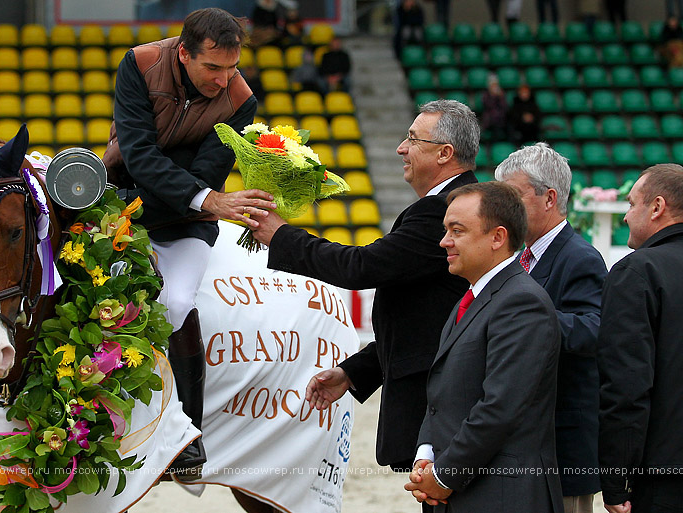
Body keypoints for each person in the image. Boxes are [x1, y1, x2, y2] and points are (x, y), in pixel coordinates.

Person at [250, 99, 479, 474]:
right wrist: (356, 371)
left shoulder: (442, 210)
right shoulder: (456, 203)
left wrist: (281, 236)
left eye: (412, 139)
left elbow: (361, 267)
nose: (401, 148)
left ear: (444, 153)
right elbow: (428, 318)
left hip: (442, 401)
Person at [104, 7, 276, 478]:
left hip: (183, 220)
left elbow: (207, 173)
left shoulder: (242, 101)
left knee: (177, 301)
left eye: (232, 68)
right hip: (127, 200)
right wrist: (204, 199)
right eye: (213, 68)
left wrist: (198, 200)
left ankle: (189, 437)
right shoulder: (138, 64)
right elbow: (137, 153)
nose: (224, 81)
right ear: (183, 53)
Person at [405, 181, 563, 512]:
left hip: (502, 496)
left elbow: (499, 408)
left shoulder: (521, 302)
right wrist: (426, 454)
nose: (444, 241)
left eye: (456, 230)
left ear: (497, 237)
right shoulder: (473, 296)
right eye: (446, 229)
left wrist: (445, 476)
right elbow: (444, 392)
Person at [495, 143, 606, 513]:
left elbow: (593, 331)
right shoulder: (517, 256)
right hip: (524, 443)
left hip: (562, 449)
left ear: (549, 198)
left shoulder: (580, 257)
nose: (503, 209)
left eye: (513, 196)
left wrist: (521, 317)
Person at [598, 164, 683, 513]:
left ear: (657, 207)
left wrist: (617, 482)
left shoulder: (637, 272)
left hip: (662, 481)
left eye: (631, 205)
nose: (625, 218)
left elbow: (626, 388)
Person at [481, 74, 508, 142]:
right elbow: (488, 106)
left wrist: (500, 97)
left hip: (502, 118)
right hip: (490, 119)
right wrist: (493, 96)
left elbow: (505, 107)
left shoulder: (501, 95)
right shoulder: (485, 95)